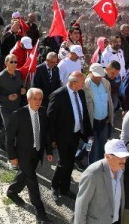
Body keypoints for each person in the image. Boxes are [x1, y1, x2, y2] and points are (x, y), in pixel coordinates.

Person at [5, 88, 53, 223]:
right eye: (34, 99)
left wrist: (49, 150)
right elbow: (9, 138)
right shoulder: (18, 114)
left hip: (36, 152)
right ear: (28, 100)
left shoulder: (43, 112)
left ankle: (12, 191)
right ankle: (40, 213)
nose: (38, 102)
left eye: (40, 99)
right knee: (32, 181)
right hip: (23, 154)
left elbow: (46, 133)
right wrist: (12, 156)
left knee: (26, 175)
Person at [47, 71, 92, 200]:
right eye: (82, 82)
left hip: (76, 134)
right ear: (74, 83)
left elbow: (84, 115)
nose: (84, 85)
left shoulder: (81, 93)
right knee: (63, 162)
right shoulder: (58, 95)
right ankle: (55, 186)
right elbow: (51, 119)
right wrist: (52, 139)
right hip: (62, 136)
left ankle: (65, 188)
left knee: (70, 162)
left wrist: (89, 134)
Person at [74, 139, 129, 224]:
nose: (124, 160)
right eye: (120, 157)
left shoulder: (120, 170)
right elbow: (81, 205)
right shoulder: (92, 173)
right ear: (108, 156)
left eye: (125, 156)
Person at [0, 54, 26, 151]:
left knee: (11, 126)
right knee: (10, 128)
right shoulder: (1, 77)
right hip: (6, 107)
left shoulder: (18, 73)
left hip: (17, 106)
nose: (14, 64)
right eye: (11, 62)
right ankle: (11, 153)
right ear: (6, 63)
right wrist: (7, 98)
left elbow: (21, 85)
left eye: (16, 62)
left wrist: (23, 89)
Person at [83, 64, 115, 165]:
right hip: (92, 123)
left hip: (104, 121)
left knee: (102, 147)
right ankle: (91, 171)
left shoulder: (106, 83)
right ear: (90, 73)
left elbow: (109, 101)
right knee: (92, 149)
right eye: (96, 75)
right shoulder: (84, 86)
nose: (99, 78)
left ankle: (100, 167)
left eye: (100, 75)